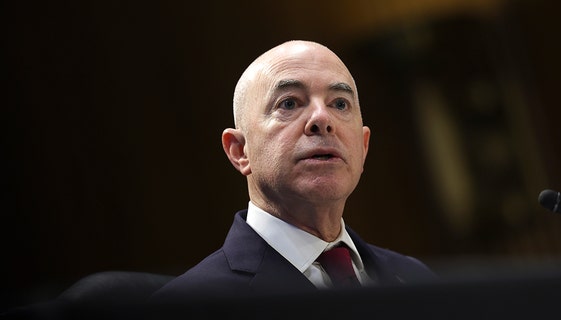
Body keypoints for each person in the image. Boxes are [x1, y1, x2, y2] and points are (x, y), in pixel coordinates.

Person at [151, 40, 437, 301]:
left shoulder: (416, 279)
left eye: (339, 103)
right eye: (289, 103)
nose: (322, 119)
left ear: (363, 148)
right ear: (240, 151)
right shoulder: (188, 306)